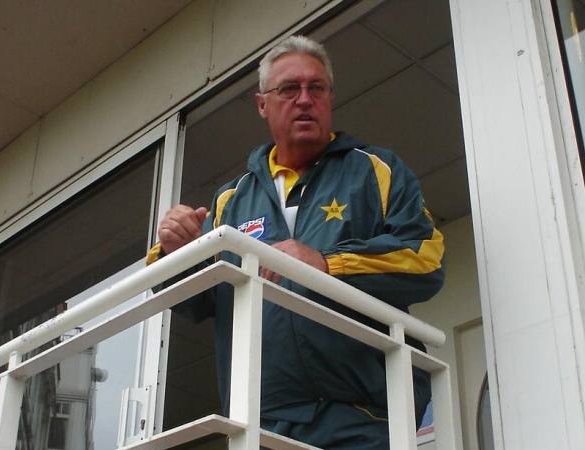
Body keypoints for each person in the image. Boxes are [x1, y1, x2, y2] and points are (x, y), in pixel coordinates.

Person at [147, 35, 445, 449]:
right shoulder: (229, 201)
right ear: (262, 104)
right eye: (289, 89)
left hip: (363, 419)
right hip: (261, 426)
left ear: (330, 99)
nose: (305, 99)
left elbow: (426, 259)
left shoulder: (376, 170)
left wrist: (327, 264)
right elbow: (193, 302)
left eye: (316, 88)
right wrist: (174, 252)